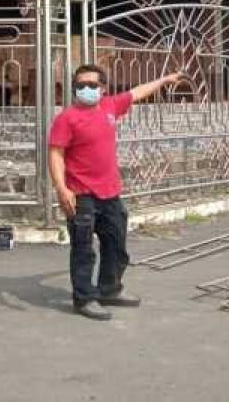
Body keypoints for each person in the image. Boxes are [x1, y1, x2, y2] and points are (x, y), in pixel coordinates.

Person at [47, 64, 184, 320]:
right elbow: (55, 153)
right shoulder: (67, 118)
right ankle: (84, 298)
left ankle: (110, 290)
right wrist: (61, 188)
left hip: (110, 193)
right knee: (83, 249)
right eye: (80, 86)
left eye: (92, 85)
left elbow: (138, 92)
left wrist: (165, 79)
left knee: (116, 245)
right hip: (81, 194)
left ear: (103, 88)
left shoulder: (110, 107)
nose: (86, 90)